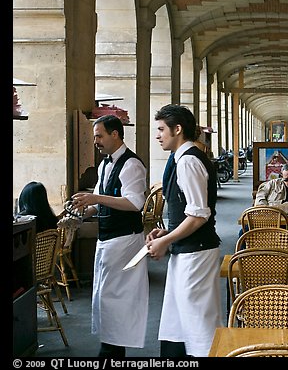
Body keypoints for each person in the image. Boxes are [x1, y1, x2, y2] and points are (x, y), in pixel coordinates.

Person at [146, 104, 222, 357]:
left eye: (160, 129)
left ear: (177, 129)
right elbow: (188, 210)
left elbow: (199, 215)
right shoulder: (182, 158)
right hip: (188, 251)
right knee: (179, 318)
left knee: (199, 321)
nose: (157, 135)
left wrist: (166, 239)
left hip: (196, 253)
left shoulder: (188, 161)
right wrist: (165, 232)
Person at [71, 114, 148, 358]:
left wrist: (95, 199)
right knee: (105, 296)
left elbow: (135, 203)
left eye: (99, 136)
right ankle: (110, 345)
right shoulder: (105, 164)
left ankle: (113, 350)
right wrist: (83, 212)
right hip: (107, 240)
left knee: (117, 298)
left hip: (125, 240)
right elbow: (101, 201)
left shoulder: (132, 164)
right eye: (95, 137)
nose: (96, 141)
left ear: (115, 134)